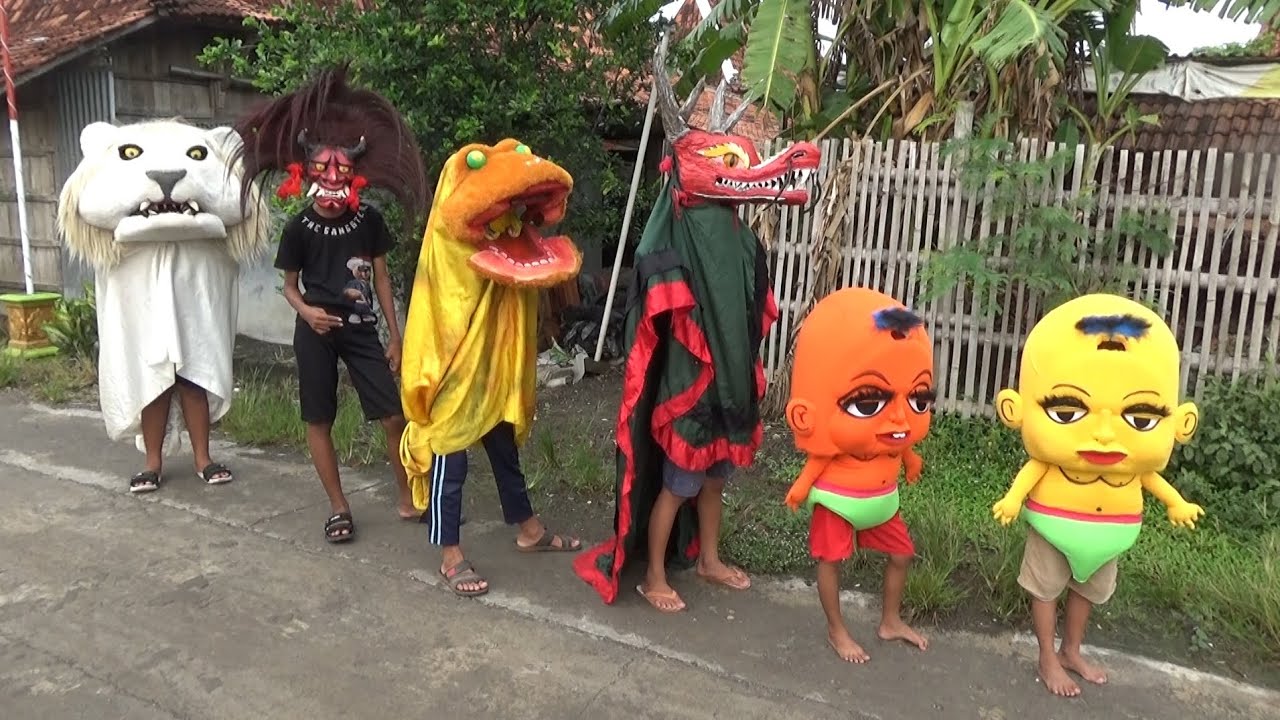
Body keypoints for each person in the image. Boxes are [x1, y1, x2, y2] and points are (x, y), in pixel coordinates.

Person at [573, 33, 822, 611]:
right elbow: (659, 303)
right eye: (724, 162)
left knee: (714, 481)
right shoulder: (678, 229)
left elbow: (745, 302)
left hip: (728, 383)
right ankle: (654, 573)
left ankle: (707, 559)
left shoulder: (735, 232)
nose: (744, 172)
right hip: (689, 386)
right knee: (677, 485)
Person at [233, 65, 429, 542]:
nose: (334, 177)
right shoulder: (298, 228)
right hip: (315, 332)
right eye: (324, 169)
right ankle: (339, 507)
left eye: (343, 169)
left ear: (356, 176)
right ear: (306, 173)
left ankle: (408, 499)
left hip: (362, 330)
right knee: (318, 418)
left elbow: (381, 277)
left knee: (393, 415)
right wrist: (306, 312)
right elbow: (289, 286)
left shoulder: (368, 221)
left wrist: (396, 335)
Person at [992, 293, 1204, 697]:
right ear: (1014, 408)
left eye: (1140, 418)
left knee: (1087, 588)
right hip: (1054, 523)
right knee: (1045, 587)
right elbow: (1034, 467)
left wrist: (1176, 502)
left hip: (1108, 534)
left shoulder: (1132, 463)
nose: (1105, 434)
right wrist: (1013, 498)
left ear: (1181, 421)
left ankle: (1071, 650)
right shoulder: (1055, 457)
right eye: (1068, 414)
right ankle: (1047, 657)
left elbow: (1149, 477)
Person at [399, 139, 586, 596]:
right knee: (450, 455)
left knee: (504, 448)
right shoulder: (446, 244)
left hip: (492, 369)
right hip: (454, 368)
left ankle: (529, 529)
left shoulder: (507, 230)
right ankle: (450, 555)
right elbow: (453, 300)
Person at [56, 118, 270, 493]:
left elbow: (228, 239)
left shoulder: (206, 235)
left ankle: (203, 457)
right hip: (143, 307)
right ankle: (152, 462)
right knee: (151, 381)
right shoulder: (123, 235)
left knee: (195, 377)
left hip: (194, 306)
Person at [783, 287, 936, 662]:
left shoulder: (894, 434)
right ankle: (837, 631)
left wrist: (910, 459)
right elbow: (820, 457)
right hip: (838, 500)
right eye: (868, 402)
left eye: (918, 400)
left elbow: (898, 443)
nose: (902, 415)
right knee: (830, 561)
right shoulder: (832, 429)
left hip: (882, 502)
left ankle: (890, 620)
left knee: (901, 554)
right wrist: (801, 488)